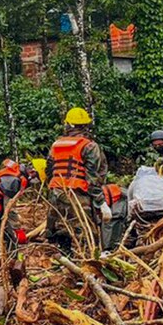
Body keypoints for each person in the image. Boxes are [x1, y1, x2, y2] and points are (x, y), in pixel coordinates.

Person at [45, 107, 109, 254]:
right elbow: (92, 178)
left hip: (56, 194)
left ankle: (62, 264)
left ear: (68, 124)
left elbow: (49, 171)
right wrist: (101, 202)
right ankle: (88, 266)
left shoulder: (56, 145)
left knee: (60, 233)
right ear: (86, 126)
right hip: (77, 196)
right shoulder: (90, 146)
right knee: (88, 235)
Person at [101, 184, 129, 251]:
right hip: (113, 199)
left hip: (118, 200)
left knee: (113, 223)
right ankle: (110, 248)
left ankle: (111, 248)